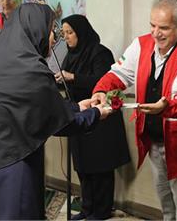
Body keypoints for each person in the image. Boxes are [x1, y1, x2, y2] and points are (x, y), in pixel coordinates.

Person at [0, 4, 111, 220]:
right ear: (35, 31)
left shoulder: (0, 64)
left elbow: (39, 106)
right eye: (51, 30)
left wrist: (78, 107)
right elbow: (61, 123)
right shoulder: (31, 70)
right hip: (10, 168)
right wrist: (96, 113)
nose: (55, 38)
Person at [88, 0, 177, 221]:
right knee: (167, 206)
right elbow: (118, 74)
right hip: (154, 142)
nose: (156, 33)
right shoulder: (141, 44)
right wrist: (101, 90)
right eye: (152, 25)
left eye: (164, 28)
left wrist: (167, 107)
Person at [54, 15, 130, 220]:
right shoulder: (70, 55)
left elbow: (102, 81)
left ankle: (102, 211)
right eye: (64, 33)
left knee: (100, 167)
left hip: (101, 118)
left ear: (82, 32)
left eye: (70, 32)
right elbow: (70, 84)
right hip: (79, 115)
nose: (66, 37)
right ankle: (87, 208)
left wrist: (73, 77)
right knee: (83, 166)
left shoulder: (100, 52)